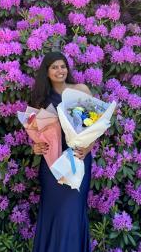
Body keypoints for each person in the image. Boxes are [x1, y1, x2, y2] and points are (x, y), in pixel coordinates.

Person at [30, 52, 94, 252]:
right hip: (52, 164)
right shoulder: (40, 99)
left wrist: (88, 147)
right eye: (54, 67)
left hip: (78, 158)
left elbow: (94, 125)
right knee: (55, 212)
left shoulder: (81, 90)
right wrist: (35, 147)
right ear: (47, 72)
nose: (60, 71)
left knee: (73, 211)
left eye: (63, 66)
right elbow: (35, 133)